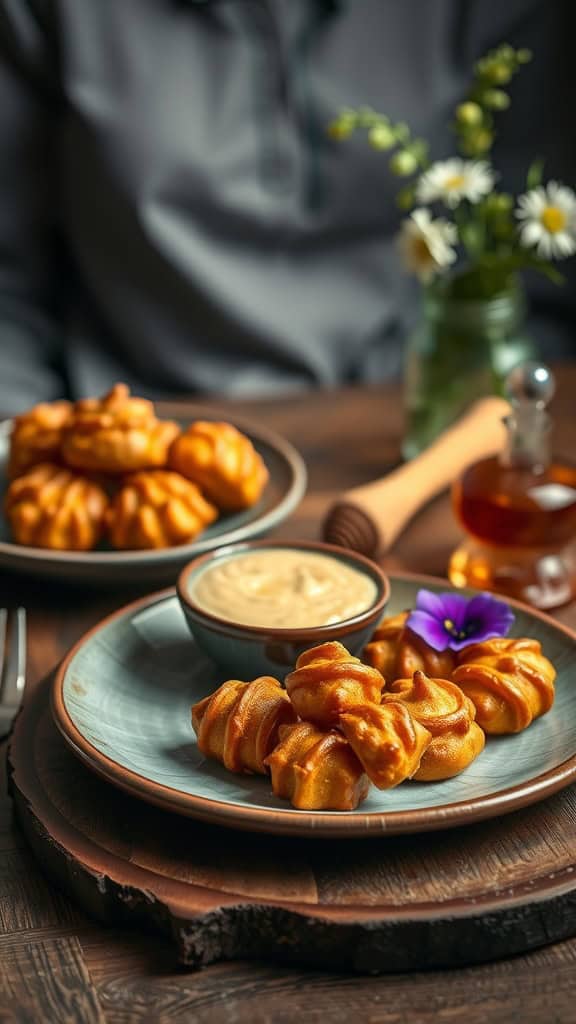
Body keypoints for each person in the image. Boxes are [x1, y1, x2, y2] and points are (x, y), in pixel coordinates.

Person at [0, 0, 574, 415]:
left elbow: (539, 274)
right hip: (133, 427)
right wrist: (36, 459)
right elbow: (8, 286)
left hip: (410, 432)